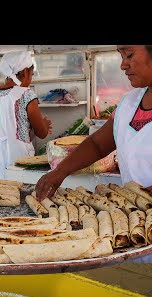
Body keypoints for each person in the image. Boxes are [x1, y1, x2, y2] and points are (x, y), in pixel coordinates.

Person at [35, 45, 152, 202]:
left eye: (129, 55)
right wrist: (59, 172)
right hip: (139, 214)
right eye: (121, 56)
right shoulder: (128, 104)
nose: (123, 65)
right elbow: (97, 144)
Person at [0, 51, 53, 180]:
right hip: (16, 161)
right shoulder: (26, 95)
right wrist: (44, 124)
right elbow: (42, 133)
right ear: (24, 72)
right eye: (31, 74)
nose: (31, 79)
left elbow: (10, 128)